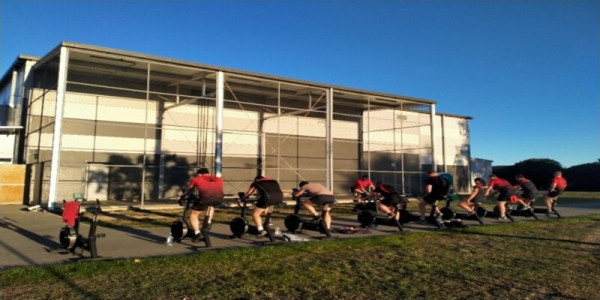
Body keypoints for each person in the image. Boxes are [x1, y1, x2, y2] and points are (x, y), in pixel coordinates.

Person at [177, 168, 224, 242]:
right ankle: (208, 222)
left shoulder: (197, 179)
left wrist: (181, 196)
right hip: (219, 199)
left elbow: (189, 190)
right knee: (211, 205)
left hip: (205, 199)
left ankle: (197, 233)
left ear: (199, 174)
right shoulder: (219, 179)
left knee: (193, 215)